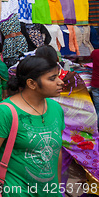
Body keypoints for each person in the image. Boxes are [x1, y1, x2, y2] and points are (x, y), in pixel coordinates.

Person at [0, 55, 65, 197]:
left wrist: (57, 187)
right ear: (32, 84)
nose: (60, 82)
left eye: (58, 76)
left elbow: (56, 150)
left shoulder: (56, 109)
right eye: (52, 78)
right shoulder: (4, 113)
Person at [35, 46, 99, 185]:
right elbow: (85, 108)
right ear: (57, 59)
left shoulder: (37, 81)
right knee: (92, 165)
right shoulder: (71, 77)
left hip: (52, 131)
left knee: (56, 168)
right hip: (77, 130)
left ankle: (58, 192)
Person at [90, 49, 99, 127]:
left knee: (97, 108)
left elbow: (90, 57)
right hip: (95, 84)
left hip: (95, 84)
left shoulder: (95, 52)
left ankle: (95, 127)